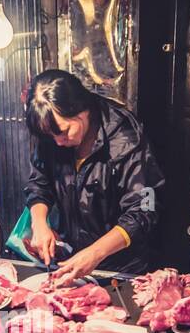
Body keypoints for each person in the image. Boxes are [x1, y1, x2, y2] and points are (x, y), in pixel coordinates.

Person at [23, 68, 165, 281]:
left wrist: (95, 253)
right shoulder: (51, 134)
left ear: (82, 111)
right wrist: (39, 224)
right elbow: (39, 183)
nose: (58, 142)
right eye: (50, 136)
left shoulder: (126, 138)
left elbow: (144, 209)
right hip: (71, 260)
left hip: (122, 268)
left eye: (63, 132)